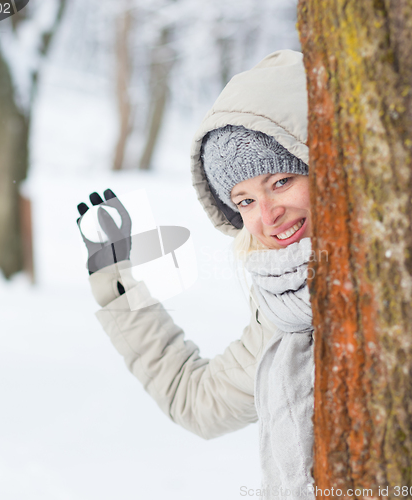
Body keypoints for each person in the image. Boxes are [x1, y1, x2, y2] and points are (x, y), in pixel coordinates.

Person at [77, 49, 315, 499]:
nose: (268, 213)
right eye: (244, 201)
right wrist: (117, 284)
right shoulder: (281, 313)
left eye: (280, 181)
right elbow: (198, 401)